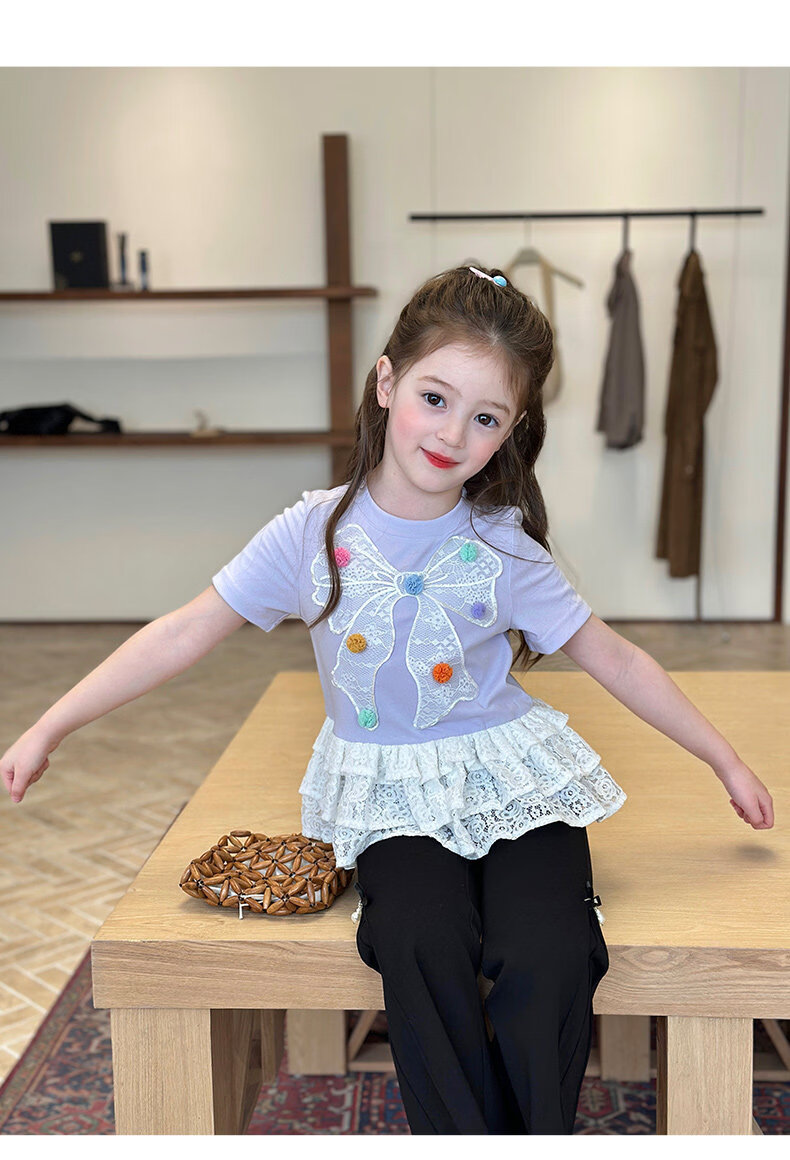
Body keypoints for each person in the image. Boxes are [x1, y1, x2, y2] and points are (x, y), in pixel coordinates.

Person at [1, 262, 774, 1135]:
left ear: (511, 432)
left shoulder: (505, 545)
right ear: (386, 382)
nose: (452, 433)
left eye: (486, 418)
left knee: (550, 949)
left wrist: (725, 760)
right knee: (419, 940)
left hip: (514, 780)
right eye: (434, 399)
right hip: (390, 790)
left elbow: (618, 661)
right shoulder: (310, 533)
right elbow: (182, 632)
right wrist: (51, 725)